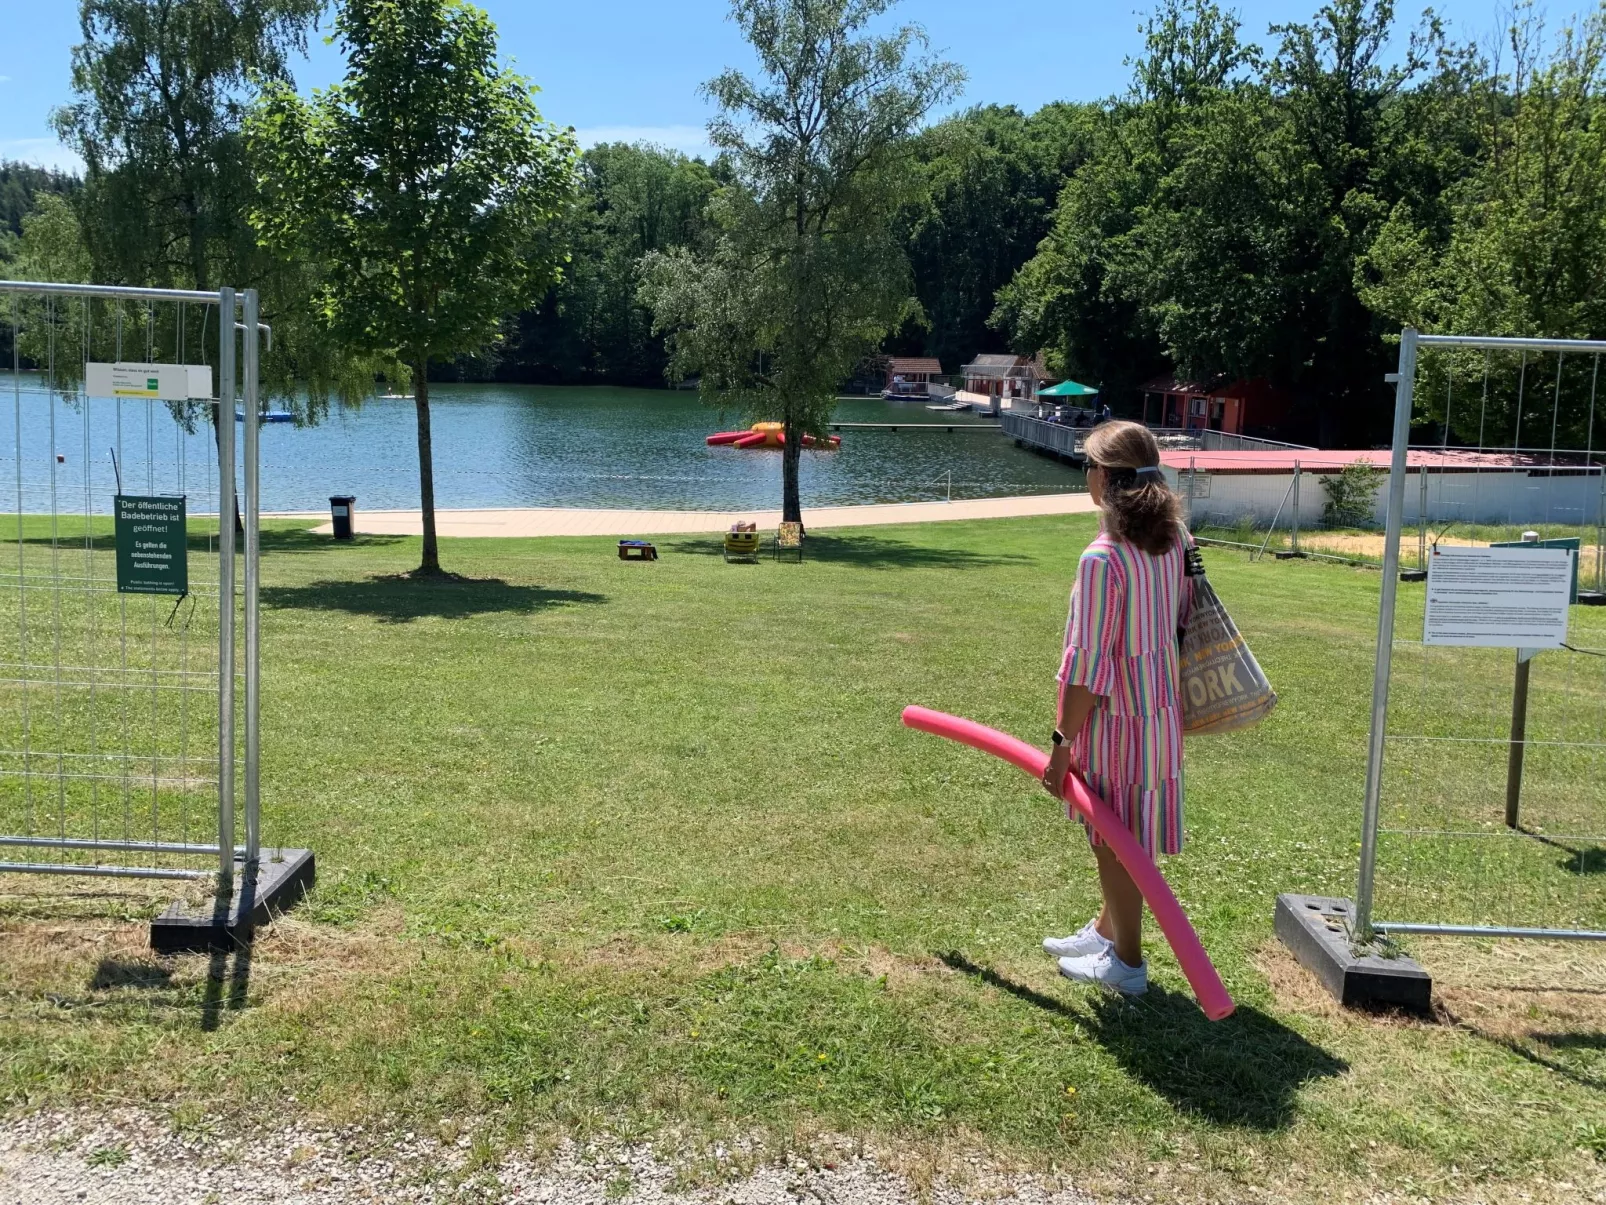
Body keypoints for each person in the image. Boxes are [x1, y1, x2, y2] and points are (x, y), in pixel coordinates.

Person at [1041, 421, 1191, 996]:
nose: (1086, 475)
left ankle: (1126, 963)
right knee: (1127, 835)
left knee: (1112, 839)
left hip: (1118, 723)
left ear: (1107, 477)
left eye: (1089, 465)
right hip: (1158, 715)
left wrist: (1062, 745)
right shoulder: (1175, 539)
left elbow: (1086, 669)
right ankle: (1108, 932)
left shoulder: (1102, 559)